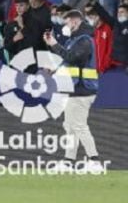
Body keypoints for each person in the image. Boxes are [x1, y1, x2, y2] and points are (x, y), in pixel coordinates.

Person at [44, 9, 102, 171]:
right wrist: (55, 69)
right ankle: (68, 162)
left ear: (75, 21)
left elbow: (72, 58)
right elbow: (69, 62)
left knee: (78, 126)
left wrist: (54, 44)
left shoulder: (84, 40)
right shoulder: (75, 40)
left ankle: (94, 161)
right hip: (74, 89)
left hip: (82, 90)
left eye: (67, 21)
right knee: (70, 126)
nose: (66, 25)